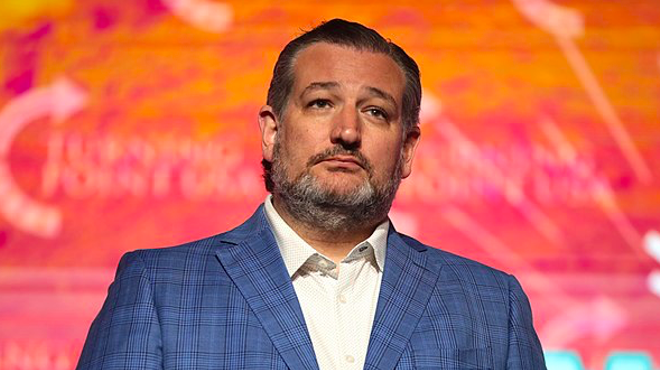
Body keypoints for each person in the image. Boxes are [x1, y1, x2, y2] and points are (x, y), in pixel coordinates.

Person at [77, 19, 546, 370]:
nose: (346, 131)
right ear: (272, 131)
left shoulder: (490, 306)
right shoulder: (159, 289)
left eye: (376, 111)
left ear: (406, 150)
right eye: (321, 103)